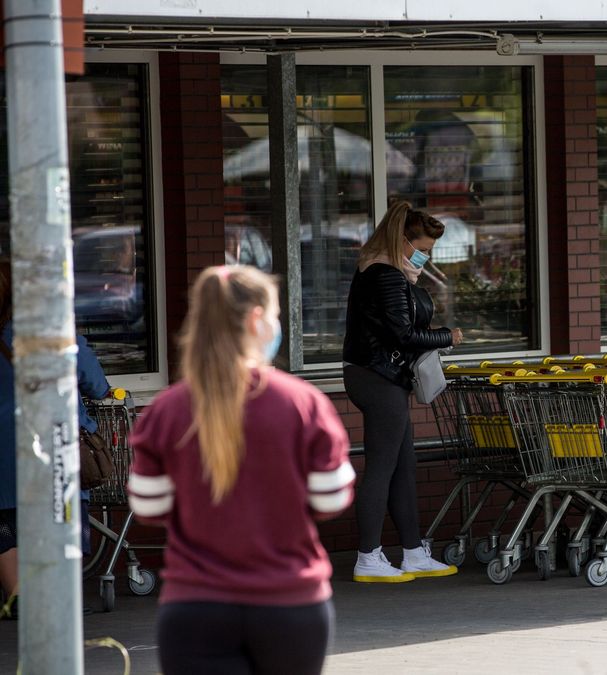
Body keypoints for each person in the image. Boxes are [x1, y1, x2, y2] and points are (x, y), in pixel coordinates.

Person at [127, 266, 353, 674]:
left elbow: (147, 507)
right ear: (255, 319)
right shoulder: (303, 403)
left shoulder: (165, 409)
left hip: (195, 607)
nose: (277, 325)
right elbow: (331, 497)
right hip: (290, 604)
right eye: (277, 315)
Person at [343, 199, 463, 583]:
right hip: (377, 377)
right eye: (424, 249)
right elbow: (403, 334)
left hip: (380, 376)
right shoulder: (386, 274)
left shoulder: (382, 270)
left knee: (403, 466)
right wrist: (448, 337)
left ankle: (413, 551)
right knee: (382, 467)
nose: (427, 257)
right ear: (405, 241)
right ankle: (368, 556)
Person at [0, 266, 111, 620]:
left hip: (4, 452)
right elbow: (97, 385)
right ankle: (58, 599)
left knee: (6, 527)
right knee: (62, 524)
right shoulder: (59, 336)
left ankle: (17, 596)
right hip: (56, 449)